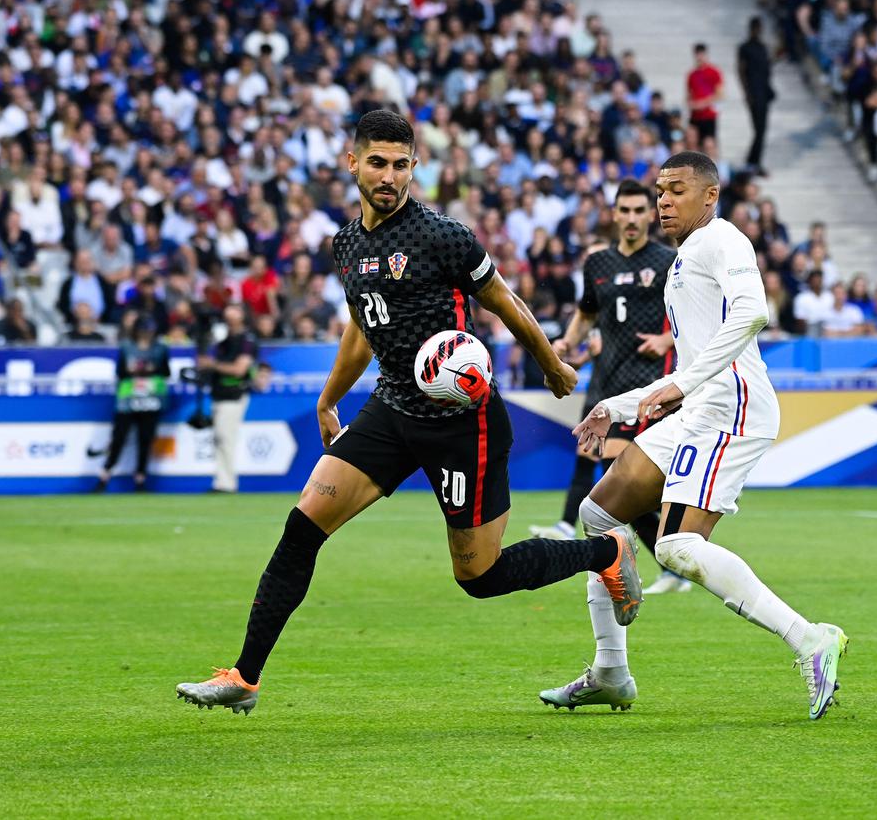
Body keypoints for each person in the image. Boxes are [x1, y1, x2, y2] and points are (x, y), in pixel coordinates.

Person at [175, 111, 639, 715]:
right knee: (302, 527)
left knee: (479, 576)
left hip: (461, 425)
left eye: (400, 165)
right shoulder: (346, 244)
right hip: (391, 409)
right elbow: (361, 331)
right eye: (377, 163)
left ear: (414, 167)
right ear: (353, 163)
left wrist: (551, 365)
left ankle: (607, 554)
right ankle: (245, 675)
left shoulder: (442, 236)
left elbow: (503, 299)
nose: (389, 176)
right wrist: (328, 397)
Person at [540, 151, 847, 720]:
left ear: (710, 195)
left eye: (675, 190)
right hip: (698, 408)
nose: (663, 201)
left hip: (734, 409)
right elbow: (692, 355)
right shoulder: (684, 258)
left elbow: (753, 313)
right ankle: (611, 670)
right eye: (660, 190)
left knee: (677, 548)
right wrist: (622, 402)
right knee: (599, 514)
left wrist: (679, 383)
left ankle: (811, 639)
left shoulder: (724, 239)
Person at [528, 180, 684, 593]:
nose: (632, 218)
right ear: (613, 215)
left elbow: (697, 314)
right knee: (602, 468)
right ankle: (672, 562)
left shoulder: (669, 261)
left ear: (650, 215)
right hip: (604, 382)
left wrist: (668, 340)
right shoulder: (598, 264)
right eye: (625, 211)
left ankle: (669, 562)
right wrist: (566, 343)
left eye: (639, 210)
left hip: (646, 387)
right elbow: (587, 314)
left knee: (616, 476)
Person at [95, 316, 170, 492]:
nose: (146, 334)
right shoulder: (127, 347)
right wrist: (134, 370)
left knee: (145, 439)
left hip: (151, 398)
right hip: (128, 399)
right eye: (144, 330)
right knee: (119, 438)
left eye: (149, 330)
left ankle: (140, 478)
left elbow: (165, 371)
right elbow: (120, 372)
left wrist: (150, 370)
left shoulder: (160, 348)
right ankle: (105, 475)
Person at [200, 304, 258, 494]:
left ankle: (226, 483)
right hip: (218, 393)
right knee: (220, 438)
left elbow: (239, 369)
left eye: (235, 310)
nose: (229, 314)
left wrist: (212, 364)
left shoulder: (247, 340)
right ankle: (221, 480)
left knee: (226, 438)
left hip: (235, 394)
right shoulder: (222, 340)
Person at [737, 17, 774, 175]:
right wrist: (746, 93)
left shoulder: (763, 48)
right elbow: (741, 70)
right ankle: (752, 162)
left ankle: (754, 161)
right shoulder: (745, 48)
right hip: (754, 93)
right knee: (759, 129)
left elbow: (767, 67)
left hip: (764, 92)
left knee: (762, 129)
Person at [686, 44, 723, 143]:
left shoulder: (714, 72)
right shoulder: (692, 74)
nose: (699, 57)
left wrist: (703, 103)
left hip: (708, 115)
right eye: (697, 54)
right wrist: (691, 104)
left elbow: (720, 94)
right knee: (694, 143)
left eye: (701, 54)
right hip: (695, 116)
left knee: (709, 143)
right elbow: (688, 94)